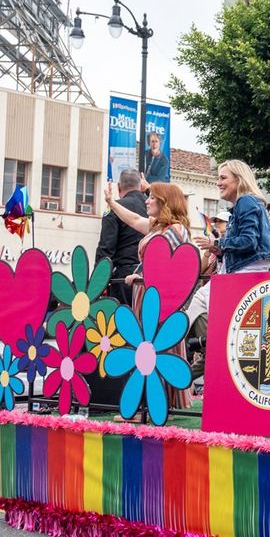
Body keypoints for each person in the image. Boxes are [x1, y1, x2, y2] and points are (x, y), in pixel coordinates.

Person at [103, 180, 193, 414]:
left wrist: (142, 275)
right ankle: (151, 402)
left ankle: (155, 404)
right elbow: (133, 220)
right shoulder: (157, 227)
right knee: (146, 345)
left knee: (156, 346)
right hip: (146, 293)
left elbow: (167, 266)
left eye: (152, 197)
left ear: (165, 202)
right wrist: (112, 202)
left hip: (161, 297)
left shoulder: (176, 230)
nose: (147, 201)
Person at [193, 160, 270, 275]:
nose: (218, 183)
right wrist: (219, 251)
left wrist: (217, 243)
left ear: (239, 179)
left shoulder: (245, 201)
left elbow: (249, 241)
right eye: (218, 178)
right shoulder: (244, 204)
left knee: (199, 289)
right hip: (246, 270)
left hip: (246, 273)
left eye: (223, 178)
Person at [184, 209, 229, 383]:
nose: (217, 225)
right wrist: (209, 250)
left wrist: (216, 245)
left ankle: (180, 379)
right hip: (205, 301)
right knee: (212, 350)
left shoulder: (229, 243)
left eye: (221, 221)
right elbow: (199, 271)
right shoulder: (215, 245)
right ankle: (179, 379)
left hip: (219, 302)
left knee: (214, 350)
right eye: (216, 221)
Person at [95, 168, 147, 306]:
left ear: (119, 187)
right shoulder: (152, 207)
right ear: (141, 186)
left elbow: (106, 248)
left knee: (122, 318)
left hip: (123, 278)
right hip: (149, 275)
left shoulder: (115, 208)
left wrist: (98, 282)